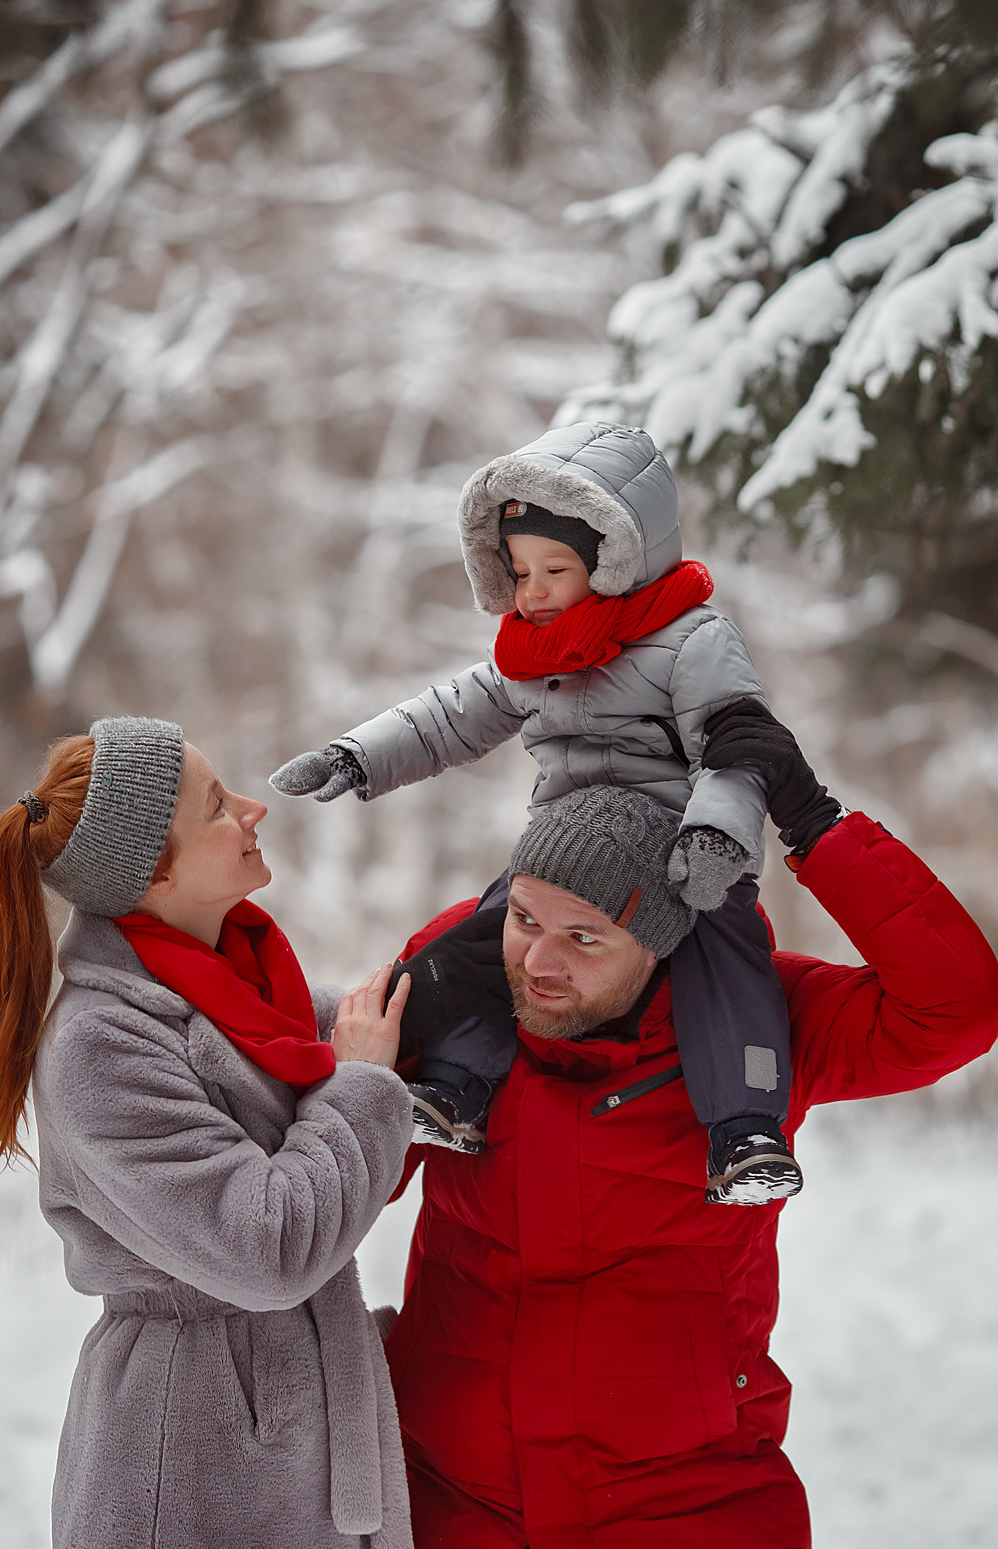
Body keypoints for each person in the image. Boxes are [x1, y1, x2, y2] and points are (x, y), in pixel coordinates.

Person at [382, 708, 998, 1549]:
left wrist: (813, 823)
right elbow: (314, 1158)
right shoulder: (465, 1007)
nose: (537, 959)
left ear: (665, 940)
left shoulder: (759, 1034)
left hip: (689, 1499)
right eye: (524, 920)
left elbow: (955, 1009)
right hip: (466, 1503)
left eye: (585, 939)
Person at [0, 715, 417, 1549]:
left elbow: (341, 1082)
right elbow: (265, 1242)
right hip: (197, 1450)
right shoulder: (103, 1047)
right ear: (149, 871)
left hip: (291, 1434)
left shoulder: (234, 989)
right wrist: (363, 1092)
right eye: (218, 805)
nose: (252, 809)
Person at [271, 419, 804, 1202]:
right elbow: (448, 716)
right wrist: (357, 757)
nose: (534, 592)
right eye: (519, 572)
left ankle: (748, 1129)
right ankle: (456, 1086)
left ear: (619, 558)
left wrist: (720, 835)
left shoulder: (694, 641)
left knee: (727, 962)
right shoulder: (534, 654)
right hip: (563, 857)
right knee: (491, 943)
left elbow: (737, 744)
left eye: (556, 568)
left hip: (688, 850)